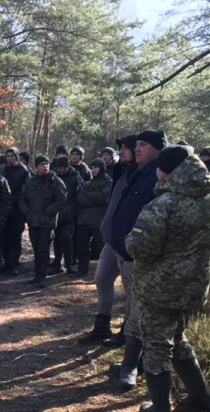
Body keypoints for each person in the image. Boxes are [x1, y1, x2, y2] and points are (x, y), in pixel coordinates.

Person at [126, 145, 210, 412]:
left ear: (167, 171)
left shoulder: (164, 204)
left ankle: (160, 409)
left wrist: (129, 239)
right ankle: (201, 397)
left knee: (157, 344)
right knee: (179, 338)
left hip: (160, 288)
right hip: (194, 288)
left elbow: (140, 247)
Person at [102, 129, 168, 390]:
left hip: (144, 257)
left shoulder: (159, 176)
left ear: (158, 149)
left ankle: (132, 366)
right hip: (126, 253)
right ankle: (135, 362)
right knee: (133, 307)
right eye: (136, 145)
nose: (137, 149)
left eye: (144, 145)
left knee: (139, 311)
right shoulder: (136, 173)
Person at [81, 134, 137, 346]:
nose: (120, 153)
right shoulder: (121, 174)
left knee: (131, 291)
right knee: (102, 279)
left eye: (125, 149)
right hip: (111, 240)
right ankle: (102, 326)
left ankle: (126, 330)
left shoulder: (145, 176)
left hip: (130, 246)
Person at [19, 155, 67, 288]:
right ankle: (37, 276)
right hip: (33, 222)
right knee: (36, 249)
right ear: (36, 167)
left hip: (47, 223)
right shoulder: (30, 182)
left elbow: (61, 201)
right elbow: (22, 199)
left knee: (43, 249)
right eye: (42, 164)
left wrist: (48, 212)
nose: (45, 166)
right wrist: (27, 212)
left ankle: (42, 277)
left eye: (47, 164)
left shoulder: (56, 181)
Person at [75, 158, 113, 276]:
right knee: (81, 246)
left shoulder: (108, 181)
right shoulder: (88, 183)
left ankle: (102, 273)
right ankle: (82, 270)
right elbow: (80, 199)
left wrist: (89, 196)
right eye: (91, 168)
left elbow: (104, 197)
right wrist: (94, 200)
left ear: (101, 168)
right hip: (84, 219)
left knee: (100, 248)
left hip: (98, 220)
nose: (93, 170)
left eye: (95, 167)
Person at [49, 156, 83, 275]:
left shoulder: (76, 177)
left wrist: (74, 211)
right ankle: (57, 264)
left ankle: (70, 265)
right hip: (55, 215)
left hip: (69, 215)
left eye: (64, 168)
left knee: (66, 239)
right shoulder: (53, 178)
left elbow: (80, 195)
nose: (62, 170)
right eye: (60, 168)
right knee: (57, 241)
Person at [0, 147, 30, 275]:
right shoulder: (3, 171)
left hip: (17, 210)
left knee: (14, 238)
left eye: (12, 156)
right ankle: (6, 263)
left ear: (16, 157)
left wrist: (14, 200)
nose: (10, 158)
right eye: (8, 156)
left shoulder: (23, 171)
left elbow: (26, 190)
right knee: (3, 238)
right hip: (4, 210)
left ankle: (14, 264)